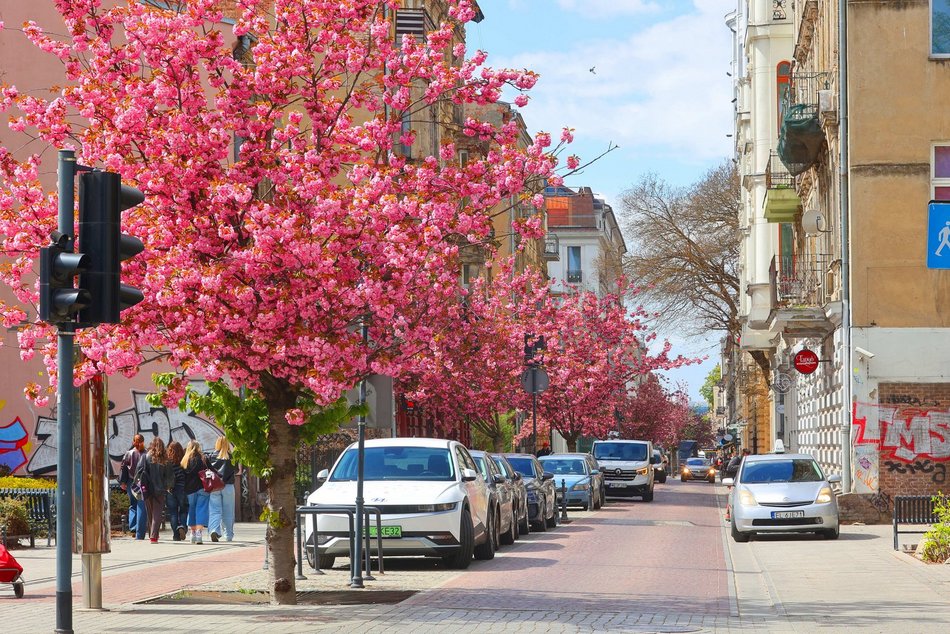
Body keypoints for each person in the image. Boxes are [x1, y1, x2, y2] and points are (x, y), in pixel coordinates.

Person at [135, 437, 174, 543]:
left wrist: (138, 484)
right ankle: (154, 535)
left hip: (146, 488)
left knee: (150, 512)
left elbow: (138, 472)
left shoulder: (145, 457)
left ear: (151, 445)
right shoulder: (165, 459)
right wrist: (167, 486)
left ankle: (152, 534)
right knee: (157, 513)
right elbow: (170, 476)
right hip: (160, 490)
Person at [182, 440, 212, 544]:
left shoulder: (185, 460)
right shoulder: (203, 459)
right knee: (202, 509)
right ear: (198, 447)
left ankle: (192, 533)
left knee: (191, 509)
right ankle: (199, 534)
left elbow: (183, 476)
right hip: (202, 488)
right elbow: (212, 471)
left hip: (190, 490)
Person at [207, 437, 237, 542]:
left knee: (214, 510)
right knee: (228, 511)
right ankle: (228, 535)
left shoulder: (211, 456)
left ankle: (214, 530)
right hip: (228, 486)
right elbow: (236, 470)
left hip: (215, 486)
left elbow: (208, 470)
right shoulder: (232, 457)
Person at [119, 434, 146, 538]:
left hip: (131, 482)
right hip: (143, 482)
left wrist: (123, 482)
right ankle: (140, 530)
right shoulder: (146, 454)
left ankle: (133, 528)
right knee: (141, 505)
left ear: (133, 442)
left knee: (133, 505)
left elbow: (123, 468)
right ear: (143, 442)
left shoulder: (128, 453)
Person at [165, 441, 189, 541]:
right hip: (182, 488)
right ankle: (183, 527)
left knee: (173, 513)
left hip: (170, 489)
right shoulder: (184, 460)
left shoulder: (167, 461)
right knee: (183, 510)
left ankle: (176, 535)